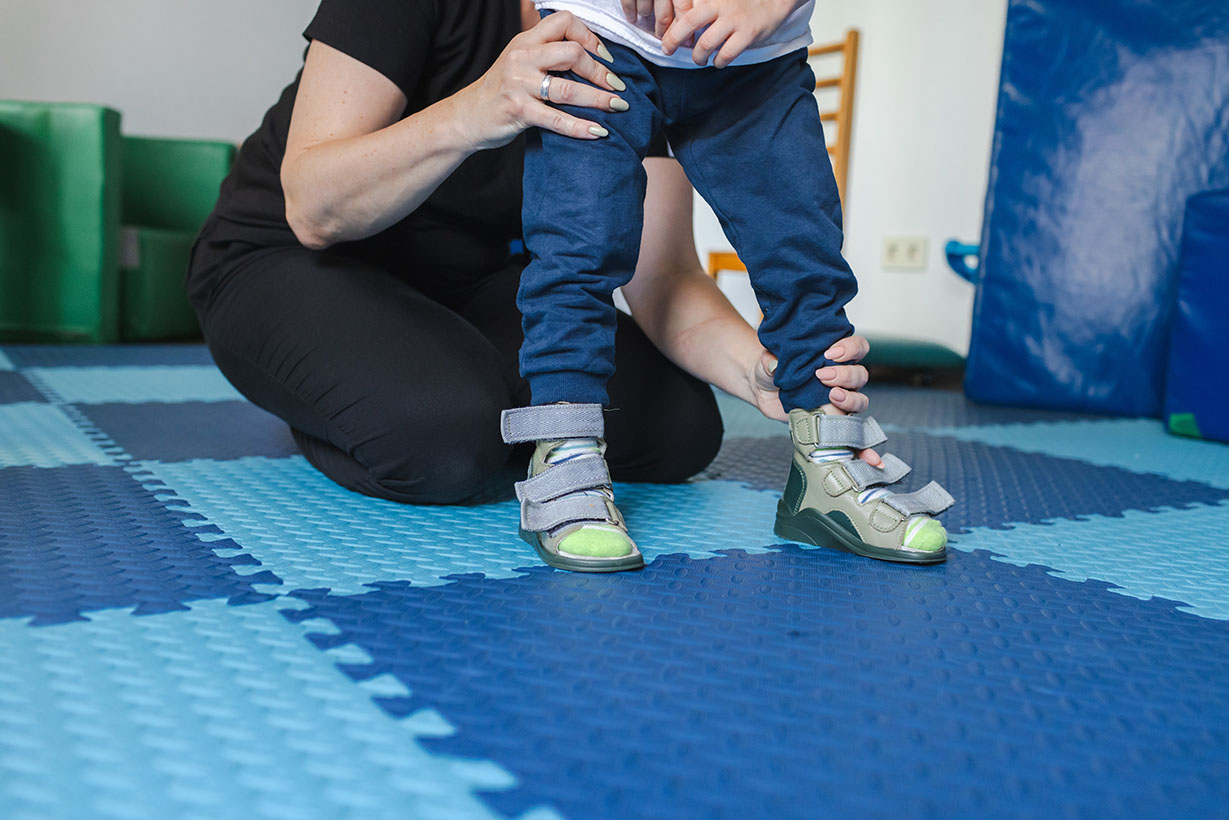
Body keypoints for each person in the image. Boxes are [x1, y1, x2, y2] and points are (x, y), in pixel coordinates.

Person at [187, 0, 877, 563]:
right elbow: (312, 207)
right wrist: (480, 108)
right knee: (449, 442)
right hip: (289, 260)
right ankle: (334, 403)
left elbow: (661, 276)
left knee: (679, 429)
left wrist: (756, 369)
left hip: (470, 282)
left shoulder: (645, 34)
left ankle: (429, 387)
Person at [499, 0, 954, 571]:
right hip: (601, 31)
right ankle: (564, 457)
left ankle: (827, 465)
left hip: (755, 48)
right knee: (578, 244)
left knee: (805, 258)